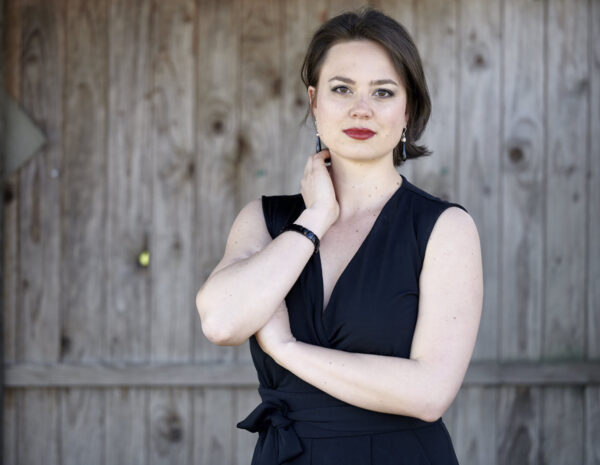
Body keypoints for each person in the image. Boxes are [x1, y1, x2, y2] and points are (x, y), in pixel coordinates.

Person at [196, 7, 483, 465]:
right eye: (342, 88)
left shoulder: (444, 228)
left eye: (383, 92)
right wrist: (315, 218)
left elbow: (430, 393)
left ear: (407, 108)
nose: (360, 108)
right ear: (314, 101)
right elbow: (221, 322)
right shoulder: (265, 220)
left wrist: (287, 349)